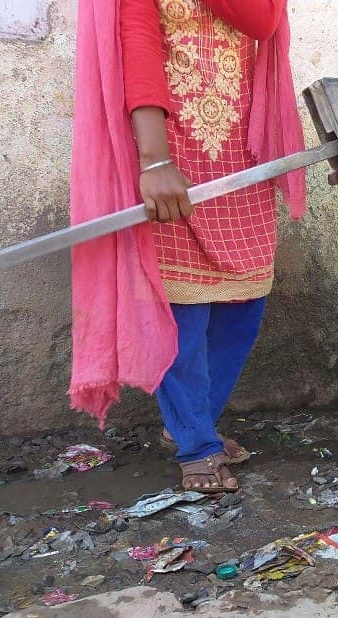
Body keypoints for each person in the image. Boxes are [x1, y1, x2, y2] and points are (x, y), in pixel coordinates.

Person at [69, 0, 305, 494]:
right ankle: (196, 443)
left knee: (246, 299)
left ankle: (187, 423)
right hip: (169, 148)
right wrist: (154, 162)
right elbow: (137, 47)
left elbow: (262, 20)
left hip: (241, 146)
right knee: (183, 308)